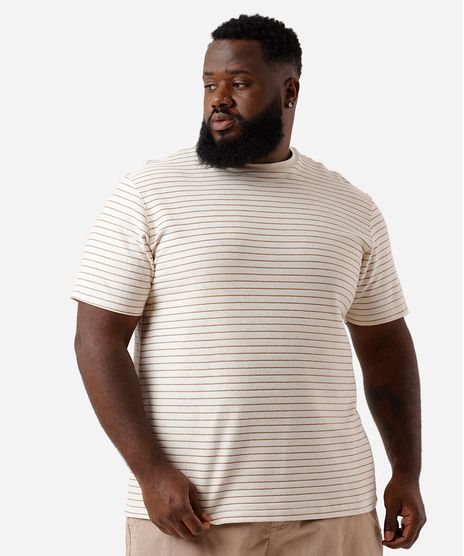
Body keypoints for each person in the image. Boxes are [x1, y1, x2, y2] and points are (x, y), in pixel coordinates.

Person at [71, 13, 426, 556]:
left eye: (238, 83)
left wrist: (408, 471)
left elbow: (385, 347)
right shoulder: (149, 193)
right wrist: (150, 471)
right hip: (191, 514)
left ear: (289, 92)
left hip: (334, 510)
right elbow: (97, 338)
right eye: (209, 84)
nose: (218, 99)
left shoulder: (351, 207)